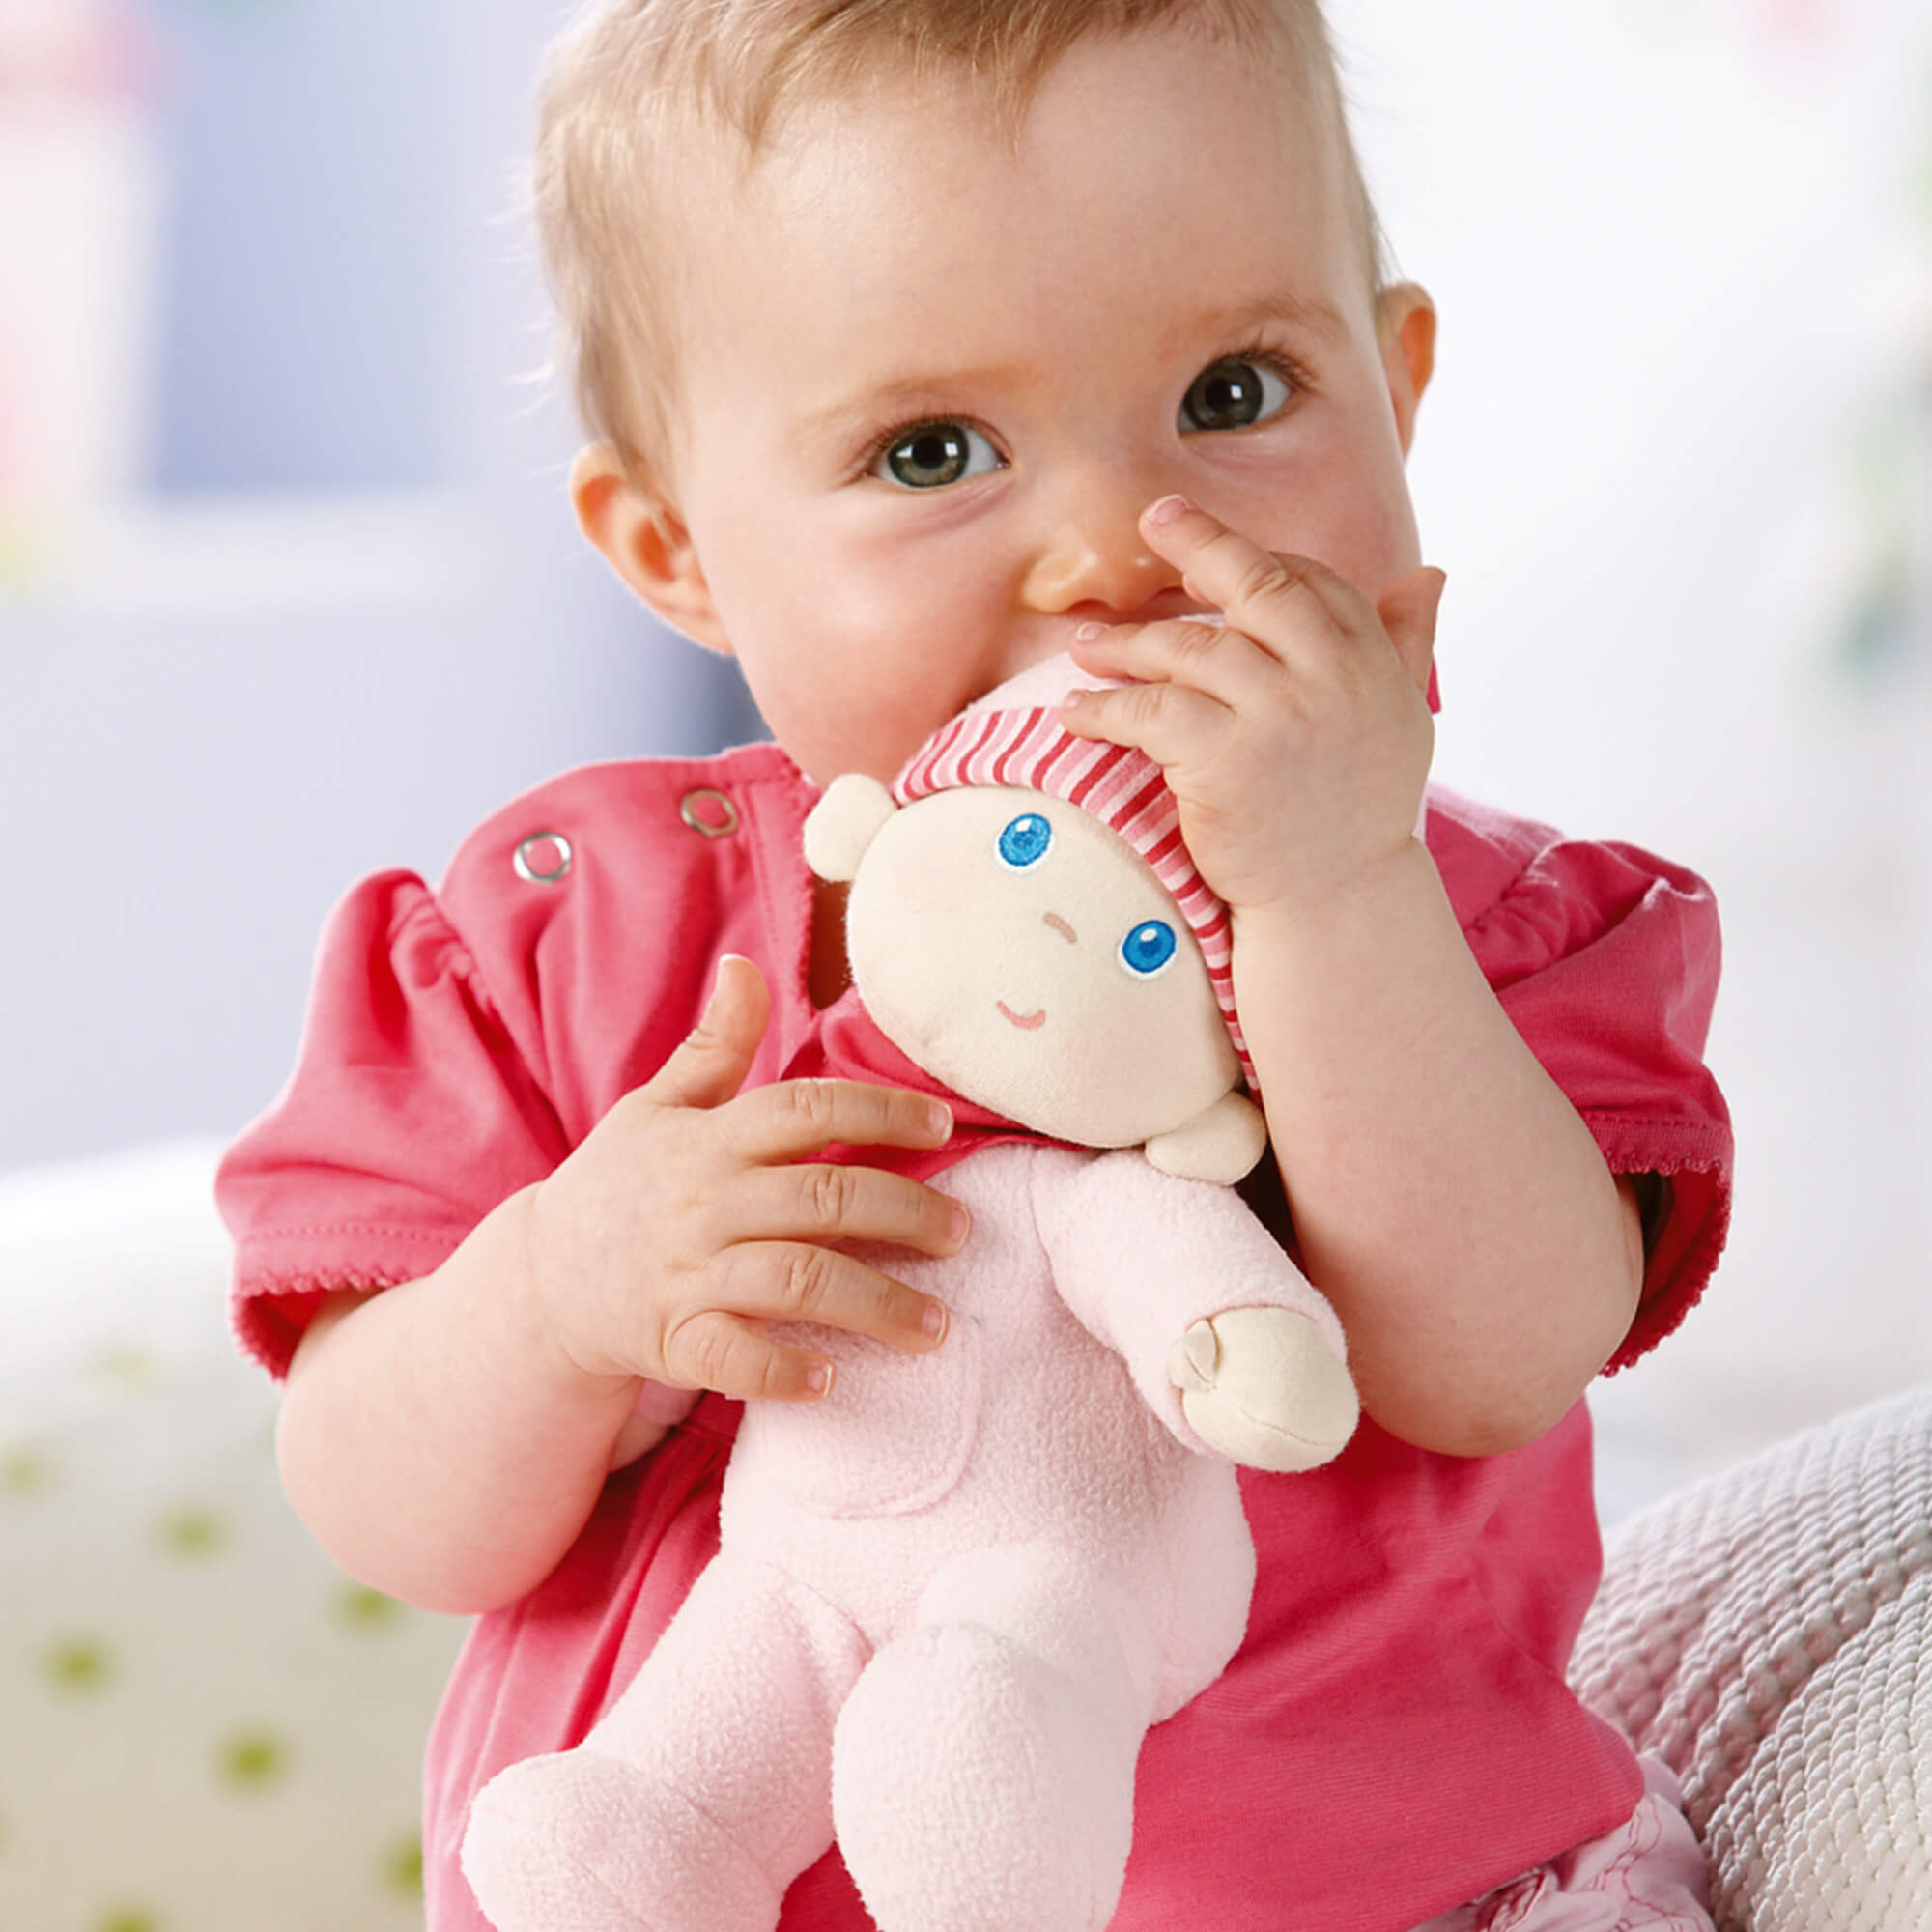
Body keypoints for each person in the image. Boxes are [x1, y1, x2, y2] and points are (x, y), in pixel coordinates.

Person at [215, 2, 1734, 1927]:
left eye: (1235, 393)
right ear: (678, 550)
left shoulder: (1473, 918)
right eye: (930, 449)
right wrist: (557, 1296)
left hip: (1390, 1894)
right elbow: (390, 1511)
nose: (1113, 548)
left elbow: (1494, 1363)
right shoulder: (569, 940)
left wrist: (1335, 893)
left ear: (1397, 385)